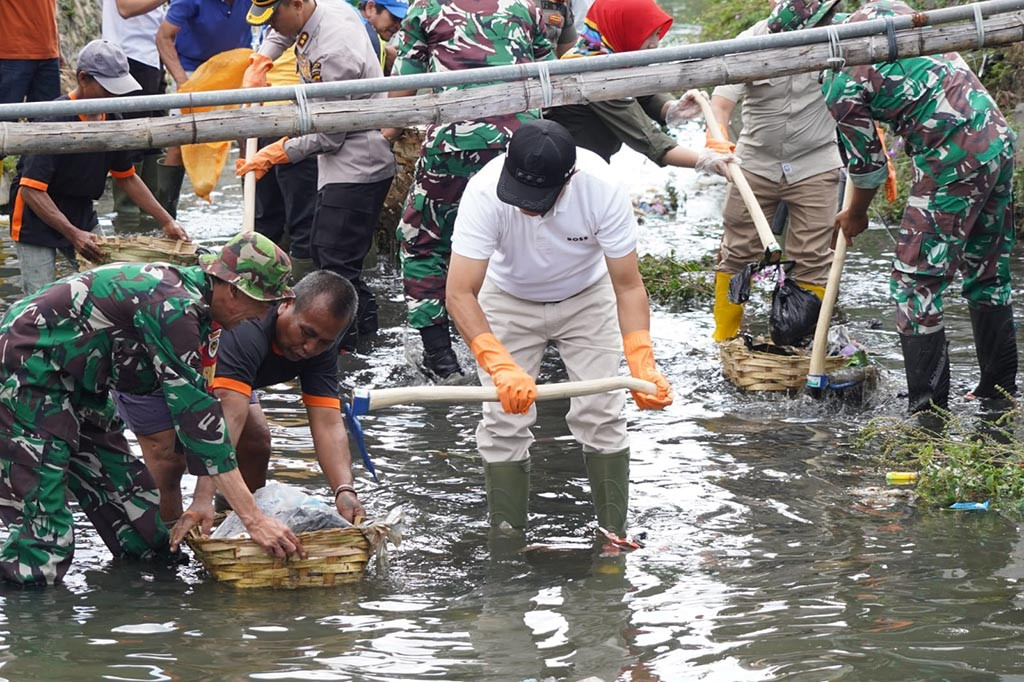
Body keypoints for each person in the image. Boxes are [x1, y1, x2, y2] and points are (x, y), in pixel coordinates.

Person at [0, 231, 303, 586]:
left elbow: (205, 416)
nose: (262, 317)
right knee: (44, 538)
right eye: (263, 305)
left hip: (81, 386)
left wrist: (203, 502)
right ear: (234, 291)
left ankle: (150, 615)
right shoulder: (173, 307)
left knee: (143, 524)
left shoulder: (206, 316)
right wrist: (253, 519)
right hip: (27, 371)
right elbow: (197, 423)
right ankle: (33, 626)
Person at [769, 0, 1018, 413]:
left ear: (805, 43)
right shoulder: (882, 9)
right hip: (996, 138)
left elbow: (866, 168)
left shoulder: (837, 81)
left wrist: (855, 214)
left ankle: (928, 414)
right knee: (987, 271)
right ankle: (998, 393)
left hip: (951, 161)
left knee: (913, 286)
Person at [446, 120, 673, 535]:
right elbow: (460, 293)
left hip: (587, 296)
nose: (527, 207)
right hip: (507, 297)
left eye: (538, 199)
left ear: (569, 179)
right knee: (504, 418)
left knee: (602, 412)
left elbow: (628, 285)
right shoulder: (483, 192)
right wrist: (498, 363)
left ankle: (613, 536)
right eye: (520, 195)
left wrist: (642, 360)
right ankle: (508, 538)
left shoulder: (602, 188)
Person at [116, 270, 366, 529]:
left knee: (256, 441)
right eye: (306, 333)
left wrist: (344, 489)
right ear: (286, 304)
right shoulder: (249, 329)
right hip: (153, 370)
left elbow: (328, 423)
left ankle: (234, 527)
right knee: (169, 460)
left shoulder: (321, 349)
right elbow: (228, 419)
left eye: (324, 342)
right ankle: (167, 546)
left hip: (222, 376)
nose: (310, 348)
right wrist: (202, 497)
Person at [387, 0, 553, 381]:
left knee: (422, 241)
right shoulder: (526, 6)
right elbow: (549, 72)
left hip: (454, 146)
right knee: (522, 232)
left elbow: (404, 85)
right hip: (521, 144)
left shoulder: (425, 9)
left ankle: (441, 359)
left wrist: (385, 133)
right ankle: (532, 342)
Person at [240, 0, 397, 353]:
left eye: (274, 18)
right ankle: (363, 342)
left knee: (336, 269)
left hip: (358, 166)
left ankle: (349, 352)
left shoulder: (336, 50)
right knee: (334, 260)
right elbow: (283, 30)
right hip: (338, 166)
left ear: (296, 4)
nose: (274, 27)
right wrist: (262, 57)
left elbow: (330, 134)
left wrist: (279, 151)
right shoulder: (320, 8)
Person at [703, 0, 841, 342]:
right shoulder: (749, 41)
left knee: (811, 257)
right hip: (755, 165)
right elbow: (720, 106)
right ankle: (725, 338)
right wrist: (718, 143)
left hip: (816, 163)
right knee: (737, 252)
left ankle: (795, 342)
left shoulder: (838, 37)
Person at [7, 40, 189, 296]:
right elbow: (31, 190)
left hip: (81, 209)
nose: (115, 97)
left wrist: (167, 221)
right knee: (41, 299)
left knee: (105, 290)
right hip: (36, 218)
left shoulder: (111, 118)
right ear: (83, 79)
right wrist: (73, 234)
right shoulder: (54, 119)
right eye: (108, 89)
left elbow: (127, 178)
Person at [545, 0, 729, 176]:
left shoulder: (611, 52)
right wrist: (704, 160)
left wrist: (674, 109)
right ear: (625, 29)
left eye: (658, 33)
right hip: (569, 166)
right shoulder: (595, 72)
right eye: (647, 33)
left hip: (591, 161)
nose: (655, 43)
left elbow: (644, 94)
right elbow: (648, 138)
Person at [155, 0, 256, 216]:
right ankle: (165, 216)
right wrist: (183, 81)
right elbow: (163, 37)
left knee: (249, 137)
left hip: (238, 67)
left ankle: (256, 213)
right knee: (177, 141)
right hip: (195, 70)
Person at [102, 0, 171, 227]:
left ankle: (153, 215)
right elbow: (126, 8)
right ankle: (128, 218)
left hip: (151, 55)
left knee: (155, 141)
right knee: (132, 140)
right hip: (129, 56)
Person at [0, 0, 61, 113]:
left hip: (48, 52)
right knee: (5, 120)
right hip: (12, 54)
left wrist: (57, 46)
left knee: (49, 120)